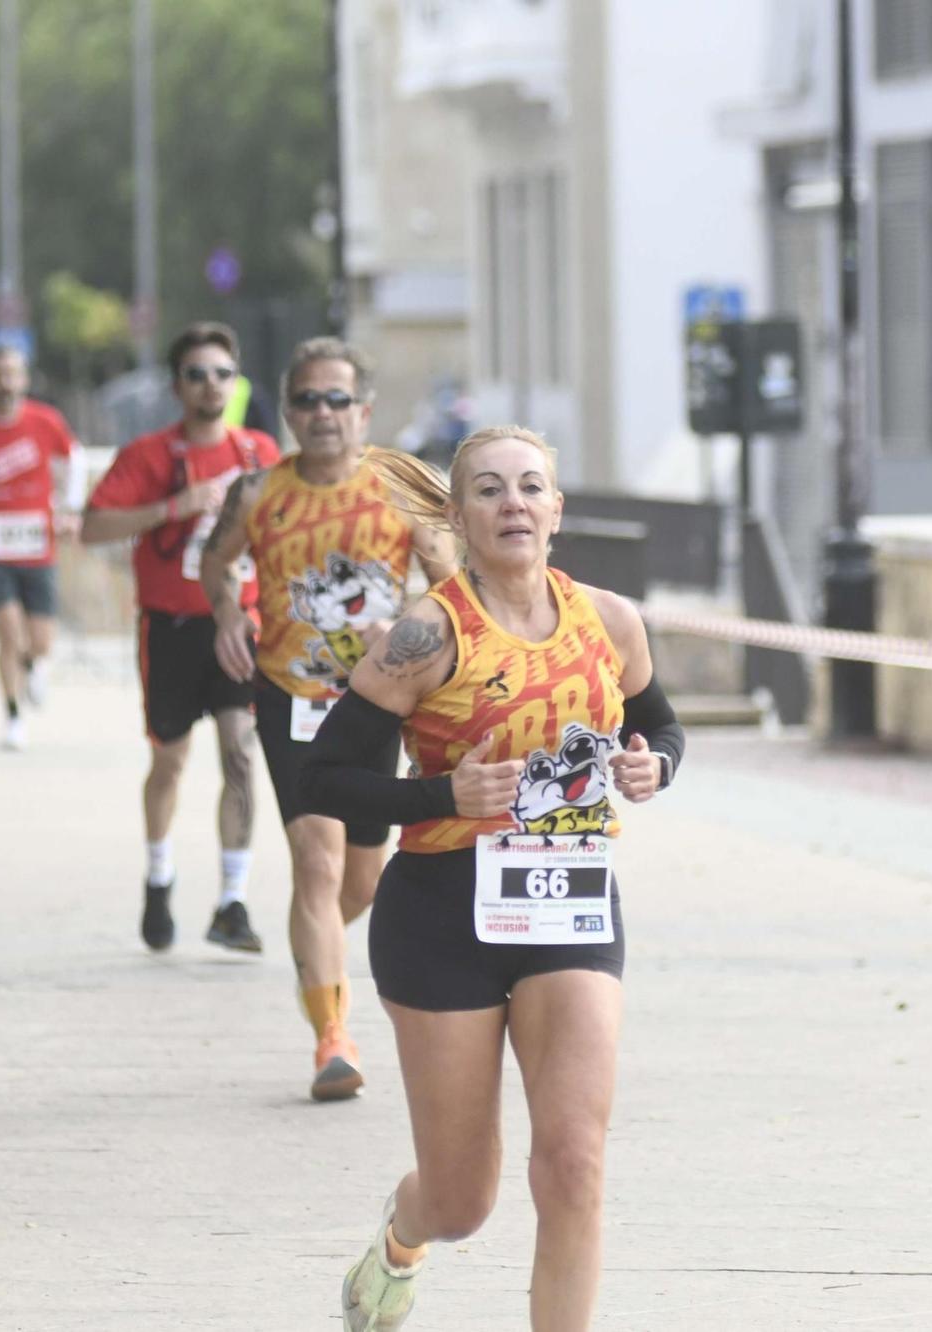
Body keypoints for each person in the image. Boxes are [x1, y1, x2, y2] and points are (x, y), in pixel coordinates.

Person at [298, 427, 685, 1331]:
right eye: (489, 489)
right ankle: (402, 1239)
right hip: (442, 916)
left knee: (573, 1164)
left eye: (529, 487)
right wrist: (444, 791)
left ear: (557, 511)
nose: (512, 502)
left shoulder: (611, 621)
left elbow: (660, 728)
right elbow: (325, 779)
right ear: (460, 517)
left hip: (572, 908)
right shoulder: (425, 635)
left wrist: (654, 767)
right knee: (462, 1199)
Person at [201, 335, 456, 1102]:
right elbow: (216, 563)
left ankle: (319, 964)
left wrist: (408, 629)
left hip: (376, 702)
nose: (322, 414)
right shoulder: (257, 493)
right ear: (286, 411)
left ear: (364, 410)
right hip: (292, 698)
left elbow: (449, 584)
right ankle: (333, 1039)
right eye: (307, 400)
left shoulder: (399, 488)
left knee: (360, 879)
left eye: (336, 399)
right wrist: (225, 616)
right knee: (315, 863)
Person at [82, 322, 281, 953]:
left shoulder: (259, 455)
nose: (210, 385)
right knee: (169, 761)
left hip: (238, 626)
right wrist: (176, 505)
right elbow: (92, 528)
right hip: (169, 627)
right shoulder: (149, 455)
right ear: (177, 386)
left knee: (240, 754)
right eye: (197, 374)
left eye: (222, 373)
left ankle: (232, 900)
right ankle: (160, 876)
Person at [0, 343, 82, 749]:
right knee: (7, 633)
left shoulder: (46, 422)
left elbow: (71, 460)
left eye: (12, 373)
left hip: (38, 542)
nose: (5, 381)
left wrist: (69, 509)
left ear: (24, 378)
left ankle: (33, 665)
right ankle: (13, 717)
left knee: (40, 640)